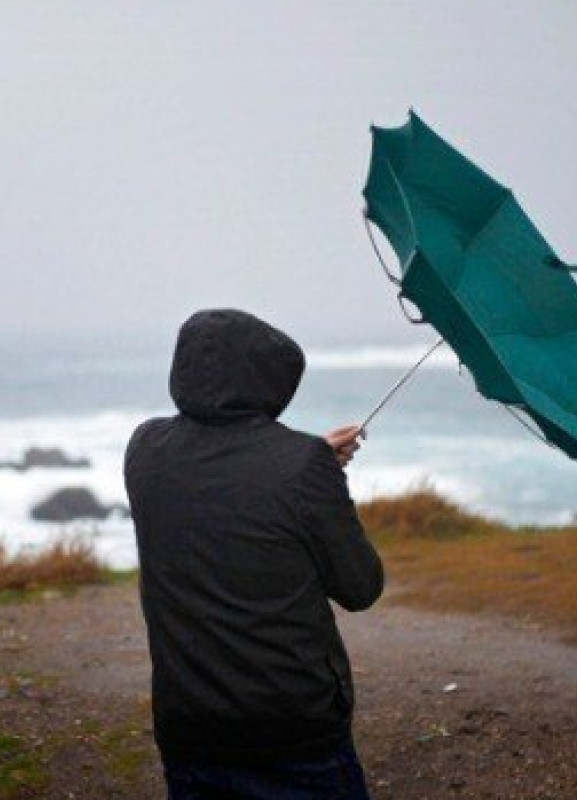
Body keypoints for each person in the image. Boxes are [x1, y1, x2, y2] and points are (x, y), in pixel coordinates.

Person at [124, 308, 385, 800]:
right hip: (291, 723)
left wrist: (310, 465)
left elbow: (226, 480)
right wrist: (319, 474)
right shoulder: (302, 466)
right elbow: (360, 587)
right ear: (273, 381)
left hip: (189, 721)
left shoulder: (144, 448)